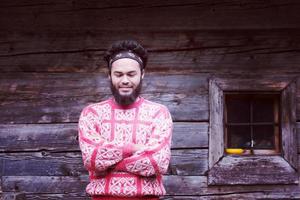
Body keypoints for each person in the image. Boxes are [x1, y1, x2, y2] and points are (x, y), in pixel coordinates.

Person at [78, 40, 173, 200]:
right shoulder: (92, 113)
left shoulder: (159, 113)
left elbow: (158, 162)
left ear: (142, 74)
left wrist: (109, 162)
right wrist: (134, 148)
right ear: (109, 75)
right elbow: (92, 158)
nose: (125, 81)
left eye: (131, 74)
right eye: (118, 74)